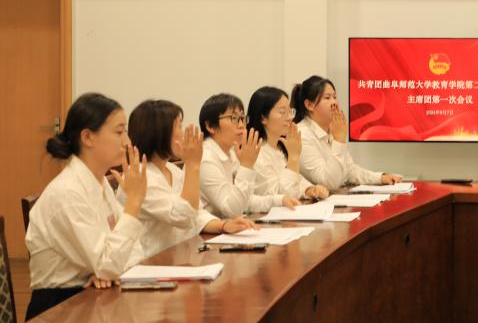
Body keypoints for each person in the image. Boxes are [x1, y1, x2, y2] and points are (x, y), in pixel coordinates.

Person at [25, 93, 147, 320]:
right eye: (119, 132)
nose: (127, 142)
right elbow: (109, 263)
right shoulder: (68, 192)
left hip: (91, 297)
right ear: (87, 137)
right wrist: (134, 202)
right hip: (57, 312)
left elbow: (133, 252)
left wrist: (107, 271)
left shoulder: (99, 182)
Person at [122, 99, 256, 257]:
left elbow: (196, 213)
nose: (183, 133)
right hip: (151, 262)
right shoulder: (138, 175)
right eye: (179, 127)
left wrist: (223, 225)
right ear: (158, 133)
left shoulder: (172, 170)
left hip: (180, 255)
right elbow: (183, 216)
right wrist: (193, 164)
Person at [198, 92, 299, 218]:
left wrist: (279, 200)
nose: (241, 125)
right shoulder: (205, 158)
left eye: (242, 118)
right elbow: (232, 209)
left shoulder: (231, 153)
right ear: (210, 126)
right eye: (234, 118)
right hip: (210, 229)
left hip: (230, 224)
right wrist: (246, 165)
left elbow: (246, 201)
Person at [291, 75, 399, 189]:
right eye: (327, 98)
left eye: (334, 97)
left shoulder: (331, 131)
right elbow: (328, 183)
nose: (334, 102)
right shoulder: (302, 135)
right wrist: (339, 139)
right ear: (309, 105)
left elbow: (349, 170)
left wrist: (380, 177)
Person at [247, 86, 330, 201]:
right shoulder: (256, 153)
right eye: (282, 112)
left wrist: (309, 189)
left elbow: (296, 180)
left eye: (290, 111)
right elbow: (285, 194)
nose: (289, 117)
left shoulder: (280, 147)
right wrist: (293, 158)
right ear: (263, 118)